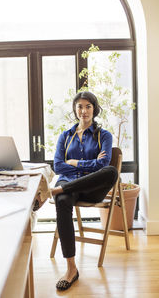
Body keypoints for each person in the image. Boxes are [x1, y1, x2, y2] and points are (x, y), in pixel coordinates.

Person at [51, 91, 118, 291]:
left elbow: (103, 165)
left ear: (94, 109)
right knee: (63, 200)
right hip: (69, 184)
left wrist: (75, 162)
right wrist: (89, 164)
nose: (84, 110)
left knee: (111, 172)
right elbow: (58, 166)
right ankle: (71, 269)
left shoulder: (103, 135)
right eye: (80, 106)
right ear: (75, 109)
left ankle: (56, 190)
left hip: (91, 188)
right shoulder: (66, 136)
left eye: (88, 106)